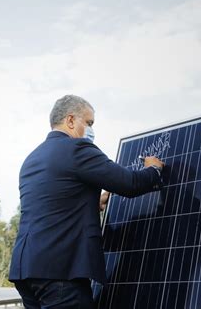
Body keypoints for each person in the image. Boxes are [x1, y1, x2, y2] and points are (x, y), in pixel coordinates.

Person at [9, 95, 165, 308]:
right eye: (89, 123)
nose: (91, 130)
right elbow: (130, 184)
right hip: (61, 273)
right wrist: (153, 169)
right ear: (71, 120)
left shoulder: (32, 159)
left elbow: (51, 205)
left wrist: (91, 204)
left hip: (25, 271)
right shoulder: (77, 149)